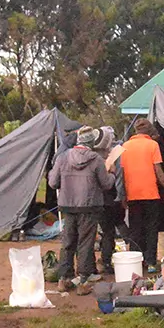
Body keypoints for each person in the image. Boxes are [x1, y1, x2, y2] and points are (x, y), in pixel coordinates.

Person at [50, 126, 116, 295]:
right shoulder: (96, 159)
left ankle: (63, 279)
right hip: (89, 206)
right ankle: (84, 281)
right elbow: (106, 184)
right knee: (85, 242)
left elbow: (52, 183)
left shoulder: (63, 157)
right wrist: (113, 174)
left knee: (68, 241)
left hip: (68, 204)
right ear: (92, 143)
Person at [123, 119, 164, 273]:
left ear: (136, 131)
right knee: (151, 228)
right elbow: (159, 172)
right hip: (151, 193)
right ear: (149, 131)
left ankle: (136, 262)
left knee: (135, 228)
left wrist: (123, 195)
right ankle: (151, 262)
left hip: (132, 194)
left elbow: (121, 174)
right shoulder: (153, 145)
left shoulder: (125, 146)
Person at [93, 126, 123, 275]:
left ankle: (94, 265)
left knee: (102, 233)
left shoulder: (91, 155)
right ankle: (105, 261)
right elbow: (108, 182)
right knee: (108, 232)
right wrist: (111, 173)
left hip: (96, 200)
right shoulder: (108, 157)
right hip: (107, 200)